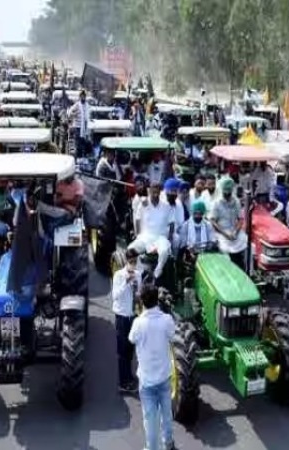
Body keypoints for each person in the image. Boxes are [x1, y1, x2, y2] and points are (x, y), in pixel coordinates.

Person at [129, 284, 177, 450]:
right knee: (167, 415)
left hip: (147, 381)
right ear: (157, 299)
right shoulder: (167, 320)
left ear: (142, 301)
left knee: (150, 421)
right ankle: (169, 443)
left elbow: (131, 339)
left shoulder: (138, 323)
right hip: (164, 378)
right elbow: (173, 335)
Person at [111, 249, 142, 393]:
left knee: (130, 350)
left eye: (135, 262)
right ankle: (123, 382)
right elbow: (115, 295)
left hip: (132, 316)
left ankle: (129, 377)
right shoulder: (119, 275)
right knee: (122, 351)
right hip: (122, 317)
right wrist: (126, 282)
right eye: (131, 262)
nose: (133, 265)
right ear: (126, 262)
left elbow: (139, 294)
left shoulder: (138, 275)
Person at [131, 182, 176, 281]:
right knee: (131, 250)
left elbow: (172, 223)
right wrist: (138, 234)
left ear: (160, 192)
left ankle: (157, 272)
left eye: (157, 190)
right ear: (149, 191)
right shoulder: (143, 204)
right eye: (153, 190)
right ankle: (134, 273)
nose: (155, 192)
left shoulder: (166, 206)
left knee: (164, 251)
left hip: (160, 238)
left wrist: (170, 238)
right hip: (145, 237)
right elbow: (137, 219)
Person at [209, 177, 248, 267]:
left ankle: (247, 270)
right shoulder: (216, 203)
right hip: (221, 232)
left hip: (234, 231)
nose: (227, 194)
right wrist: (225, 234)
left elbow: (241, 219)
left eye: (229, 192)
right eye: (225, 192)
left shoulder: (236, 201)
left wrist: (236, 231)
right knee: (225, 249)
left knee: (246, 241)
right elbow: (213, 221)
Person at [67, 90, 91, 157]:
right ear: (80, 97)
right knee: (78, 144)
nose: (83, 97)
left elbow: (89, 116)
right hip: (78, 127)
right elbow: (69, 113)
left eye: (84, 96)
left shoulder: (87, 105)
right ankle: (79, 158)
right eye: (81, 96)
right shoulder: (77, 105)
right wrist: (74, 114)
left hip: (85, 128)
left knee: (86, 143)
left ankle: (85, 156)